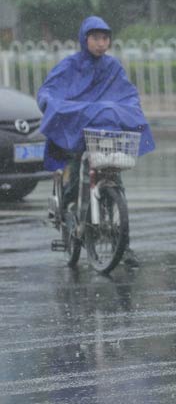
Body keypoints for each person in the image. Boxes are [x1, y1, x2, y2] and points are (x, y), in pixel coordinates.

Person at [38, 16, 155, 267]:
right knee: (72, 182)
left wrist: (130, 108)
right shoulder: (69, 65)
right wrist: (53, 103)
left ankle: (123, 246)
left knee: (115, 182)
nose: (101, 44)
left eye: (105, 38)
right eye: (96, 38)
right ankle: (67, 211)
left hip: (103, 135)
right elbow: (49, 91)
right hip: (76, 133)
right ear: (84, 39)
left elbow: (127, 94)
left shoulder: (112, 68)